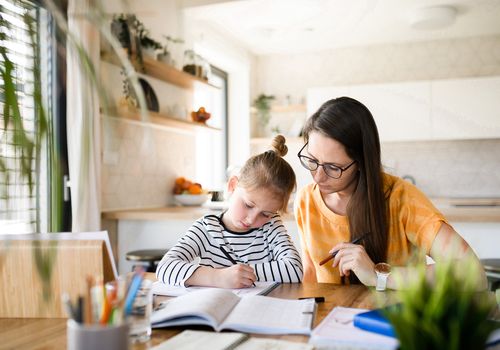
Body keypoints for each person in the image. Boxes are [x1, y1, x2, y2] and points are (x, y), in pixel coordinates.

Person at [294, 96, 487, 289]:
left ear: (361, 162)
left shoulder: (403, 198)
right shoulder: (305, 200)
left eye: (333, 167)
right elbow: (310, 277)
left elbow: (473, 273)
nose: (318, 177)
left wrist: (378, 275)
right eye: (312, 160)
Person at [156, 135, 303, 288]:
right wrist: (218, 277)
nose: (252, 220)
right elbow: (165, 268)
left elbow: (295, 269)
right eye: (248, 205)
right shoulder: (206, 228)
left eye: (265, 214)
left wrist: (240, 274)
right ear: (232, 186)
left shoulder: (271, 226)